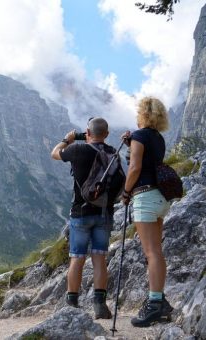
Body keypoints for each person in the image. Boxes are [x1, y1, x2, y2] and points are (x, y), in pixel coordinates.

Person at [51, 117, 117, 319]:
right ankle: (100, 305)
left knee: (77, 259)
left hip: (80, 213)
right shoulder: (112, 153)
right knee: (99, 259)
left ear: (87, 133)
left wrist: (68, 139)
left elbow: (54, 153)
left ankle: (72, 303)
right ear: (106, 134)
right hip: (104, 213)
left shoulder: (78, 150)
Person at [121, 96, 173, 327]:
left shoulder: (139, 136)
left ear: (142, 113)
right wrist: (130, 141)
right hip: (161, 197)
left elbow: (135, 167)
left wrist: (125, 192)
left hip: (144, 196)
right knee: (156, 251)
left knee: (151, 252)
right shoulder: (157, 138)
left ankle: (154, 305)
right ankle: (159, 301)